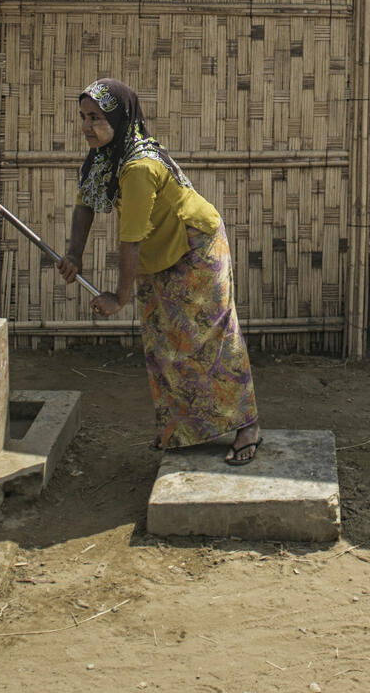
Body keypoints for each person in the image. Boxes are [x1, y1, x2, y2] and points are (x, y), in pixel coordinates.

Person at [57, 79, 261, 465]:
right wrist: (74, 254)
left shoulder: (137, 167)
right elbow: (85, 204)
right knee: (165, 343)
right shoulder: (104, 157)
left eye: (96, 118)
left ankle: (247, 424)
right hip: (159, 250)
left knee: (212, 338)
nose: (87, 126)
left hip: (196, 247)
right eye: (83, 117)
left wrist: (119, 298)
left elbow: (130, 239)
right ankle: (184, 429)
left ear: (119, 117)